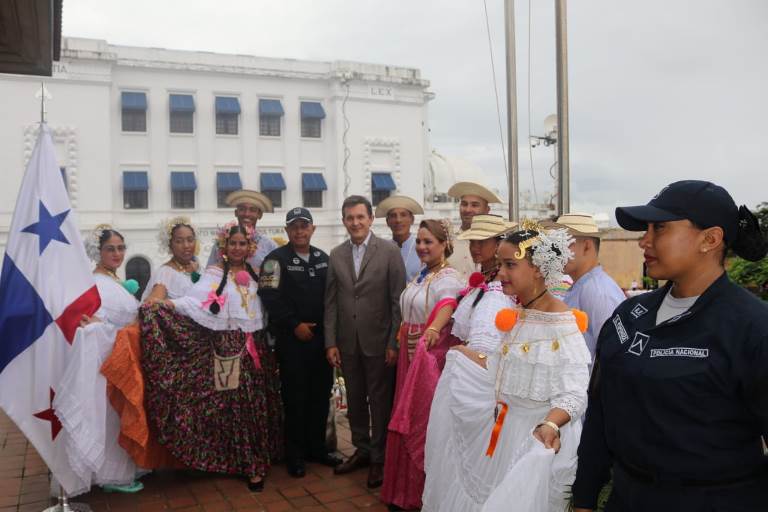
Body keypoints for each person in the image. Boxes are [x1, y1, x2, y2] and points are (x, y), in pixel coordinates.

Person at [572, 180, 768, 512]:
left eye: (660, 228)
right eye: (645, 229)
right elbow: (600, 413)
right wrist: (584, 499)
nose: (644, 241)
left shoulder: (752, 327)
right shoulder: (628, 316)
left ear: (710, 239)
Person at [422, 221, 591, 511]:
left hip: (534, 438)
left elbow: (574, 394)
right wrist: (467, 356)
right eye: (500, 264)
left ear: (538, 269)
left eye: (510, 265)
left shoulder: (562, 325)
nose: (500, 273)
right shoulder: (518, 314)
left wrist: (550, 424)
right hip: (505, 432)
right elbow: (503, 370)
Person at [141, 222, 282, 491]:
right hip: (228, 349)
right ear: (224, 246)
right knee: (237, 408)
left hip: (257, 348)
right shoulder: (214, 272)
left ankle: (259, 456)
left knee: (257, 404)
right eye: (233, 243)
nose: (237, 248)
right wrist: (166, 303)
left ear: (250, 246)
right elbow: (195, 301)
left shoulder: (257, 273)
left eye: (242, 243)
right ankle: (248, 465)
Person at [381, 219, 464, 510]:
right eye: (419, 241)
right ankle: (401, 491)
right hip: (409, 353)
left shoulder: (449, 277)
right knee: (405, 411)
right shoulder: (421, 275)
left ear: (444, 245)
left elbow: (447, 305)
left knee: (420, 417)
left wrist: (431, 330)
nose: (421, 247)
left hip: (428, 355)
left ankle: (418, 494)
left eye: (428, 242)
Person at [54, 225, 144, 495]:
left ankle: (117, 470)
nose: (117, 253)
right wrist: (107, 329)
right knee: (108, 417)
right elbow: (93, 324)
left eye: (121, 248)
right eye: (110, 249)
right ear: (98, 252)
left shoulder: (112, 280)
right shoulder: (98, 284)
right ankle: (110, 475)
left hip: (121, 357)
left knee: (116, 417)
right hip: (105, 360)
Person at [324, 195, 406, 488]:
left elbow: (398, 301)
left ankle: (379, 458)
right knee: (355, 400)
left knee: (380, 403)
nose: (355, 223)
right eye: (350, 218)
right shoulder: (336, 254)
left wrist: (393, 343)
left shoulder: (389, 252)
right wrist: (330, 342)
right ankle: (362, 449)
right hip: (347, 343)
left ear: (371, 219)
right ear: (344, 221)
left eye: (360, 217)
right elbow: (331, 302)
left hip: (380, 342)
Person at [258, 207, 341, 478]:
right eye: (294, 226)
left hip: (321, 341)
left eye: (304, 226)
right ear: (287, 230)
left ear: (312, 229)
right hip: (291, 341)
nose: (299, 231)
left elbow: (333, 297)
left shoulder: (323, 259)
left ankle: (317, 448)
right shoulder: (274, 260)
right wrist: (294, 324)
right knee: (295, 398)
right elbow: (269, 296)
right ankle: (294, 455)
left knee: (320, 395)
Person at [553, 213, 626, 362]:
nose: (557, 252)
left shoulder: (597, 291)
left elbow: (614, 353)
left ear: (586, 247)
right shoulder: (584, 286)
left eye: (564, 244)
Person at [206, 189, 277, 270]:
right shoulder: (221, 243)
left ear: (259, 215)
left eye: (252, 210)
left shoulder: (269, 246)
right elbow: (209, 271)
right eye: (242, 209)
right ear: (236, 213)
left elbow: (276, 273)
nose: (247, 214)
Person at [446, 182, 502, 279]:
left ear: (487, 210)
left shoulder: (497, 244)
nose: (468, 210)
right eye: (464, 204)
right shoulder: (446, 242)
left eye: (475, 205)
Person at [375, 195, 425, 283]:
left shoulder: (423, 248)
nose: (398, 220)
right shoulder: (381, 250)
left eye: (403, 215)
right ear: (387, 222)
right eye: (393, 216)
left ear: (412, 220)